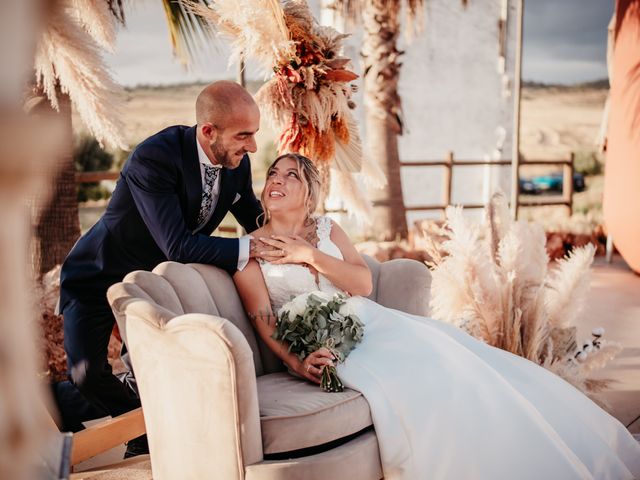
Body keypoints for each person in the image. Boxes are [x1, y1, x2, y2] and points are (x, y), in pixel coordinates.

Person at [233, 153, 640, 479]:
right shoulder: (248, 248)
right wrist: (297, 360)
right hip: (331, 347)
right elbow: (263, 317)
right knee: (424, 386)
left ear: (309, 195)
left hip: (372, 322)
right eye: (273, 173)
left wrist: (310, 256)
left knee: (459, 365)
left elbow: (361, 283)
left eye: (292, 175)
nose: (277, 180)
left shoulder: (326, 230)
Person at [56, 81, 264, 456]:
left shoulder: (236, 163)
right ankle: (138, 426)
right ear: (207, 131)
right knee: (86, 375)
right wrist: (252, 248)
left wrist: (296, 244)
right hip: (99, 274)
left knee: (160, 372)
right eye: (244, 135)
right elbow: (179, 245)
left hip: (153, 286)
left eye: (254, 135)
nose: (251, 146)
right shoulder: (155, 157)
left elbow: (255, 219)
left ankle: (148, 438)